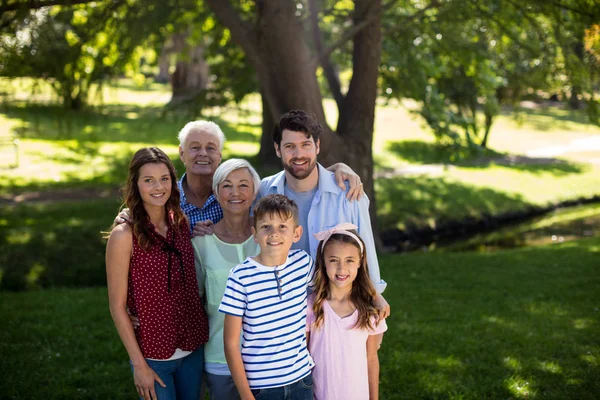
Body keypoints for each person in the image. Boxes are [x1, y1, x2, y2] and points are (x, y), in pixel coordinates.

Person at [260, 110, 390, 317]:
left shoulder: (348, 193)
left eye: (306, 145)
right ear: (278, 150)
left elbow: (366, 249)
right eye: (289, 147)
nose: (299, 154)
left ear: (317, 146)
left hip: (337, 310)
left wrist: (374, 296)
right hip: (281, 310)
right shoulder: (264, 191)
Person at [105, 147, 209, 400]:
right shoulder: (124, 235)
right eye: (148, 180)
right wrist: (139, 365)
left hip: (192, 348)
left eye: (164, 179)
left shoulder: (180, 223)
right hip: (153, 355)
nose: (158, 187)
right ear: (136, 184)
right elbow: (117, 306)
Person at [219, 194, 315, 400]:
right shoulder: (240, 277)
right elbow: (230, 343)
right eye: (266, 227)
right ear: (254, 233)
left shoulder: (303, 264)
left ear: (297, 233)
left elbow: (335, 287)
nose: (274, 233)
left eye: (282, 227)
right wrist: (246, 395)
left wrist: (373, 297)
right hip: (261, 387)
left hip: (301, 379)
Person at [192, 159, 261, 400]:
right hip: (219, 358)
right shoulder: (201, 243)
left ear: (254, 191)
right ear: (216, 192)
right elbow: (193, 301)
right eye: (227, 186)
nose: (235, 193)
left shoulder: (270, 239)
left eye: (243, 185)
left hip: (266, 359)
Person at [307, 223, 387, 400]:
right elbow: (304, 358)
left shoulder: (371, 309)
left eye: (349, 260)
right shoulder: (312, 306)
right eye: (334, 260)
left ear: (360, 262)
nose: (342, 269)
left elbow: (372, 360)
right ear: (324, 262)